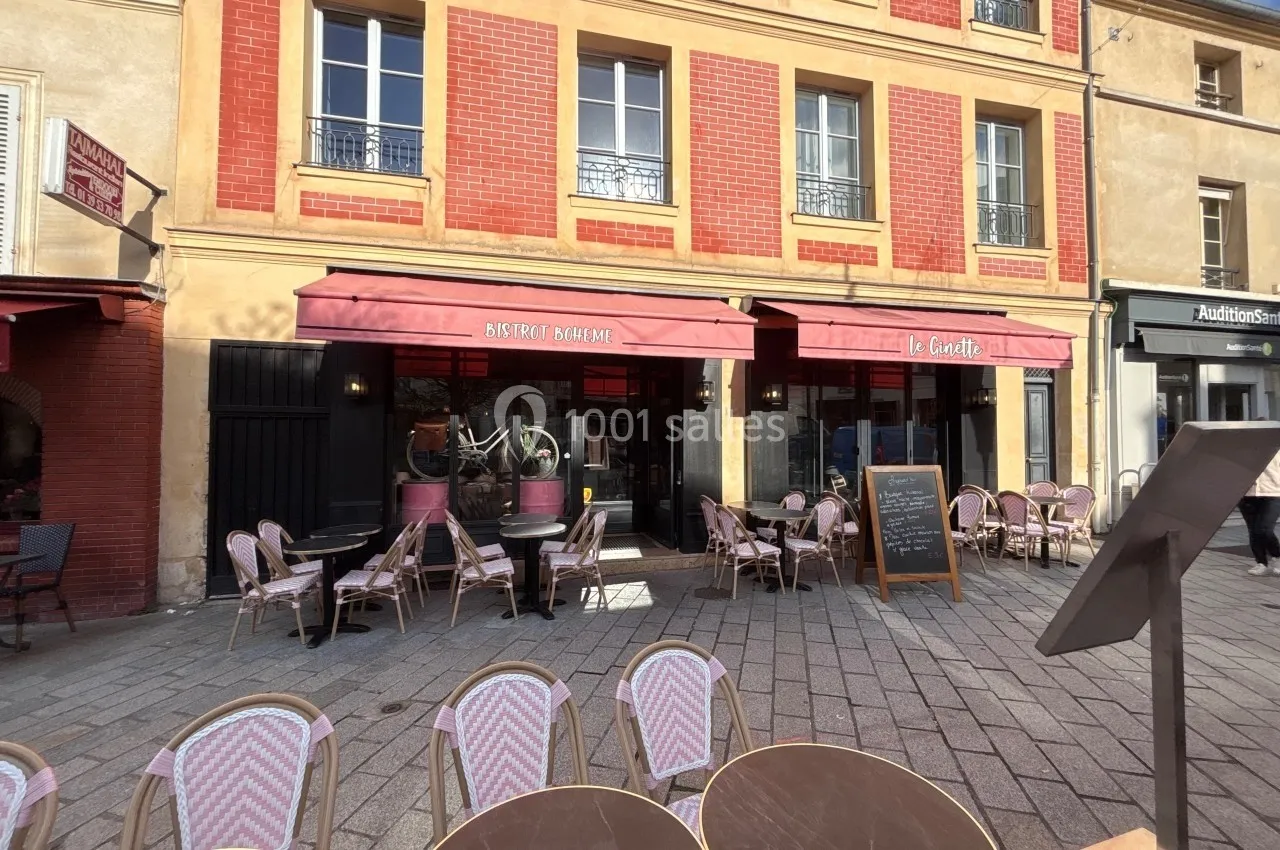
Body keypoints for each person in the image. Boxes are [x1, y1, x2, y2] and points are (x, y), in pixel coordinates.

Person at [1238, 426, 1280, 577]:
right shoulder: (1244, 452)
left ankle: (1277, 555)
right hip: (1248, 494)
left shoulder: (1277, 450)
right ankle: (1261, 562)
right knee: (1254, 530)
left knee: (1264, 528)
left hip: (1273, 493)